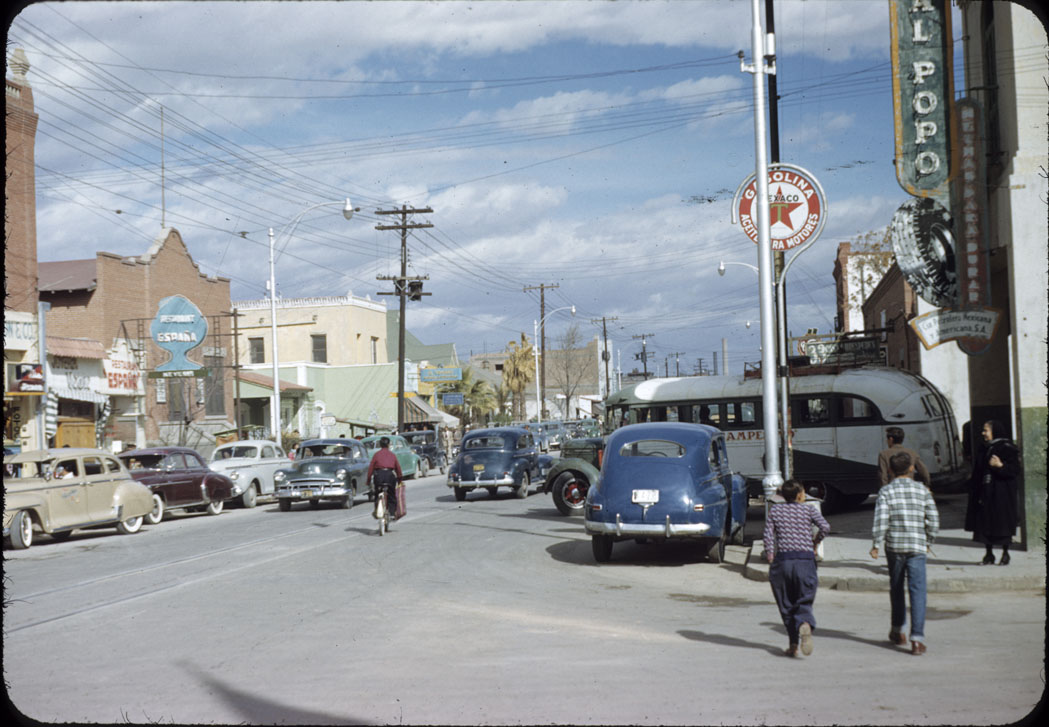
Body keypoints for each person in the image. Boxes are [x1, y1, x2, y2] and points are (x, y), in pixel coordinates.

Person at [870, 451, 939, 655]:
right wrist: (929, 540)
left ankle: (898, 630)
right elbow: (933, 520)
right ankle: (917, 639)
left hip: (895, 547)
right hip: (917, 547)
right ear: (911, 468)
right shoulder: (922, 490)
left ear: (890, 470)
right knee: (918, 592)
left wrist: (876, 543)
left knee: (897, 588)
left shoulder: (886, 491)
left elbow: (881, 519)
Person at [763, 479, 831, 657]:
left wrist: (770, 556)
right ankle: (805, 623)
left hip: (783, 562)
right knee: (804, 598)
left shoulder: (775, 510)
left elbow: (768, 535)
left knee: (786, 604)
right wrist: (815, 542)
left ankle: (793, 644)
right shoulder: (809, 510)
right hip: (805, 561)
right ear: (800, 495)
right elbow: (825, 527)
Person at [965, 420, 1020, 565]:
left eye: (986, 430)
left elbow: (1015, 471)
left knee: (1002, 523)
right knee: (985, 524)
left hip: (1002, 494)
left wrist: (1000, 466)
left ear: (994, 431)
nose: (983, 433)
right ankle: (989, 554)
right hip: (986, 493)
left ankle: (1005, 554)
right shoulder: (984, 448)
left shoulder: (1007, 448)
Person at [366, 436, 403, 520]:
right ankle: (392, 513)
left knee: (377, 494)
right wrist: (400, 479)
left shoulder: (376, 455)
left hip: (378, 476)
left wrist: (368, 480)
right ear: (389, 445)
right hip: (389, 476)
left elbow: (371, 468)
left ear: (380, 445)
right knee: (391, 495)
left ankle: (376, 510)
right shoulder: (392, 455)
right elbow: (398, 468)